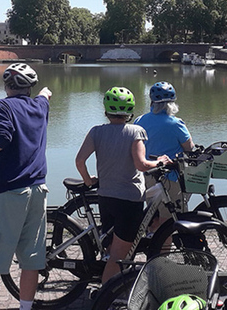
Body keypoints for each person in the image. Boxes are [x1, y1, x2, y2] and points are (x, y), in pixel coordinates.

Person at [0, 63, 52, 310]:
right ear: (29, 86)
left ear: (6, 85)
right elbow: (45, 96)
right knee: (32, 259)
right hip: (38, 190)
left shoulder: (2, 106)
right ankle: (25, 307)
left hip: (7, 191)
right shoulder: (39, 107)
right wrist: (45, 93)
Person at [75, 87, 169, 283]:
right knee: (119, 258)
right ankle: (107, 296)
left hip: (106, 198)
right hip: (129, 200)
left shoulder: (96, 132)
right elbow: (141, 164)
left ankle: (113, 286)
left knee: (112, 250)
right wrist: (160, 162)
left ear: (106, 111)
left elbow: (80, 161)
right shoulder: (135, 131)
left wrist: (88, 181)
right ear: (131, 111)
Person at [134, 81, 194, 229]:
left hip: (146, 174)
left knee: (152, 215)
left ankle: (152, 246)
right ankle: (163, 251)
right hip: (169, 177)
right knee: (167, 222)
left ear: (152, 102)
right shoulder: (176, 123)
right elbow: (190, 148)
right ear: (172, 104)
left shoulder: (139, 120)